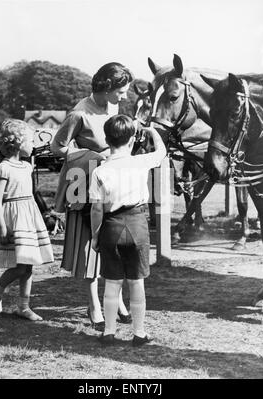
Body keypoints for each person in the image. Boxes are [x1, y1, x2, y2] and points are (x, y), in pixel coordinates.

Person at [51, 62, 133, 330]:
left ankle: (117, 300)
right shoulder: (79, 113)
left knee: (114, 242)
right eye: (121, 91)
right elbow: (57, 146)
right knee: (90, 247)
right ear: (107, 86)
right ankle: (93, 305)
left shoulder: (114, 107)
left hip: (112, 183)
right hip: (85, 183)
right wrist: (90, 156)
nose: (124, 97)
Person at [89, 115, 166, 346]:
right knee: (136, 283)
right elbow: (161, 152)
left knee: (112, 283)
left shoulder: (99, 171)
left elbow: (96, 209)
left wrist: (95, 235)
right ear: (132, 139)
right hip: (137, 223)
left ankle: (109, 331)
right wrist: (152, 132)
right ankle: (139, 333)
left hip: (111, 226)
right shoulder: (141, 161)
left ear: (106, 138)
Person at [0, 119, 54, 321]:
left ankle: (24, 306)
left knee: (29, 264)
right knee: (21, 266)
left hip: (28, 216)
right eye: (31, 140)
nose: (33, 145)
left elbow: (32, 195)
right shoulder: (4, 168)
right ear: (18, 143)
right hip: (13, 218)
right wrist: (2, 226)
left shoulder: (27, 167)